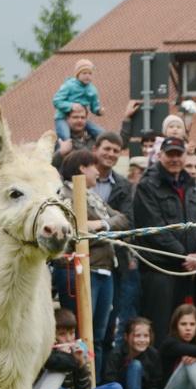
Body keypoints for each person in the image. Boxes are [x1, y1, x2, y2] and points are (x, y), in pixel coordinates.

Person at [131, 137, 196, 341]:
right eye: (170, 154)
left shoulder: (192, 185)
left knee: (184, 333)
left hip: (188, 270)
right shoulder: (147, 185)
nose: (175, 159)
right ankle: (158, 373)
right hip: (159, 270)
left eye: (178, 154)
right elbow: (154, 228)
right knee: (160, 330)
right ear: (159, 156)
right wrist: (186, 256)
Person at [56, 149, 127, 371]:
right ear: (81, 168)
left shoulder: (93, 197)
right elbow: (72, 238)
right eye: (93, 166)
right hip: (79, 271)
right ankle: (80, 382)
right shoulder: (63, 198)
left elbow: (123, 220)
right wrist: (105, 232)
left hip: (105, 269)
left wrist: (100, 226)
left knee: (99, 334)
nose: (98, 171)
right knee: (80, 334)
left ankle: (96, 385)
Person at [25, 309, 132, 389]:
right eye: (62, 334)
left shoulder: (77, 351)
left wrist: (81, 365)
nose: (68, 339)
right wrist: (62, 358)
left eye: (72, 333)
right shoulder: (47, 353)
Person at [103, 317, 165, 389]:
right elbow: (110, 383)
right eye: (137, 336)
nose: (142, 340)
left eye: (146, 336)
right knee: (135, 365)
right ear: (126, 336)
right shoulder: (116, 355)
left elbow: (154, 384)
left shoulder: (153, 355)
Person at [52, 59, 106, 142]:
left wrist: (98, 111)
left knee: (101, 133)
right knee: (65, 136)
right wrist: (71, 106)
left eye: (90, 73)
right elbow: (56, 101)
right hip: (62, 117)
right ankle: (60, 151)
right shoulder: (69, 85)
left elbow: (94, 106)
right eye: (84, 73)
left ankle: (95, 150)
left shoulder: (92, 90)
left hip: (80, 119)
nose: (87, 76)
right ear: (78, 75)